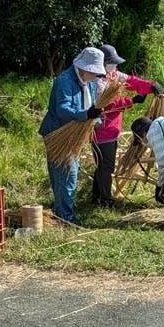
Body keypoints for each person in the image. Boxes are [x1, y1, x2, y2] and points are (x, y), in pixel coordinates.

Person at [38, 47, 106, 225]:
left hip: (73, 135)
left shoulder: (88, 82)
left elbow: (91, 105)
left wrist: (95, 118)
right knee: (68, 174)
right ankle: (65, 217)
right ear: (85, 68)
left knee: (63, 173)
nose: (97, 76)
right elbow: (62, 109)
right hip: (58, 133)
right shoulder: (64, 81)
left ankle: (61, 209)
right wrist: (85, 114)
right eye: (95, 72)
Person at [90, 44, 161, 207]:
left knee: (102, 165)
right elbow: (106, 105)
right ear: (103, 63)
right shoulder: (97, 82)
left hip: (112, 130)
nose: (115, 66)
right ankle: (105, 200)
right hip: (102, 131)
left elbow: (130, 81)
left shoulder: (112, 74)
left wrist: (150, 86)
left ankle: (96, 197)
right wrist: (132, 101)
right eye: (112, 62)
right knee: (106, 166)